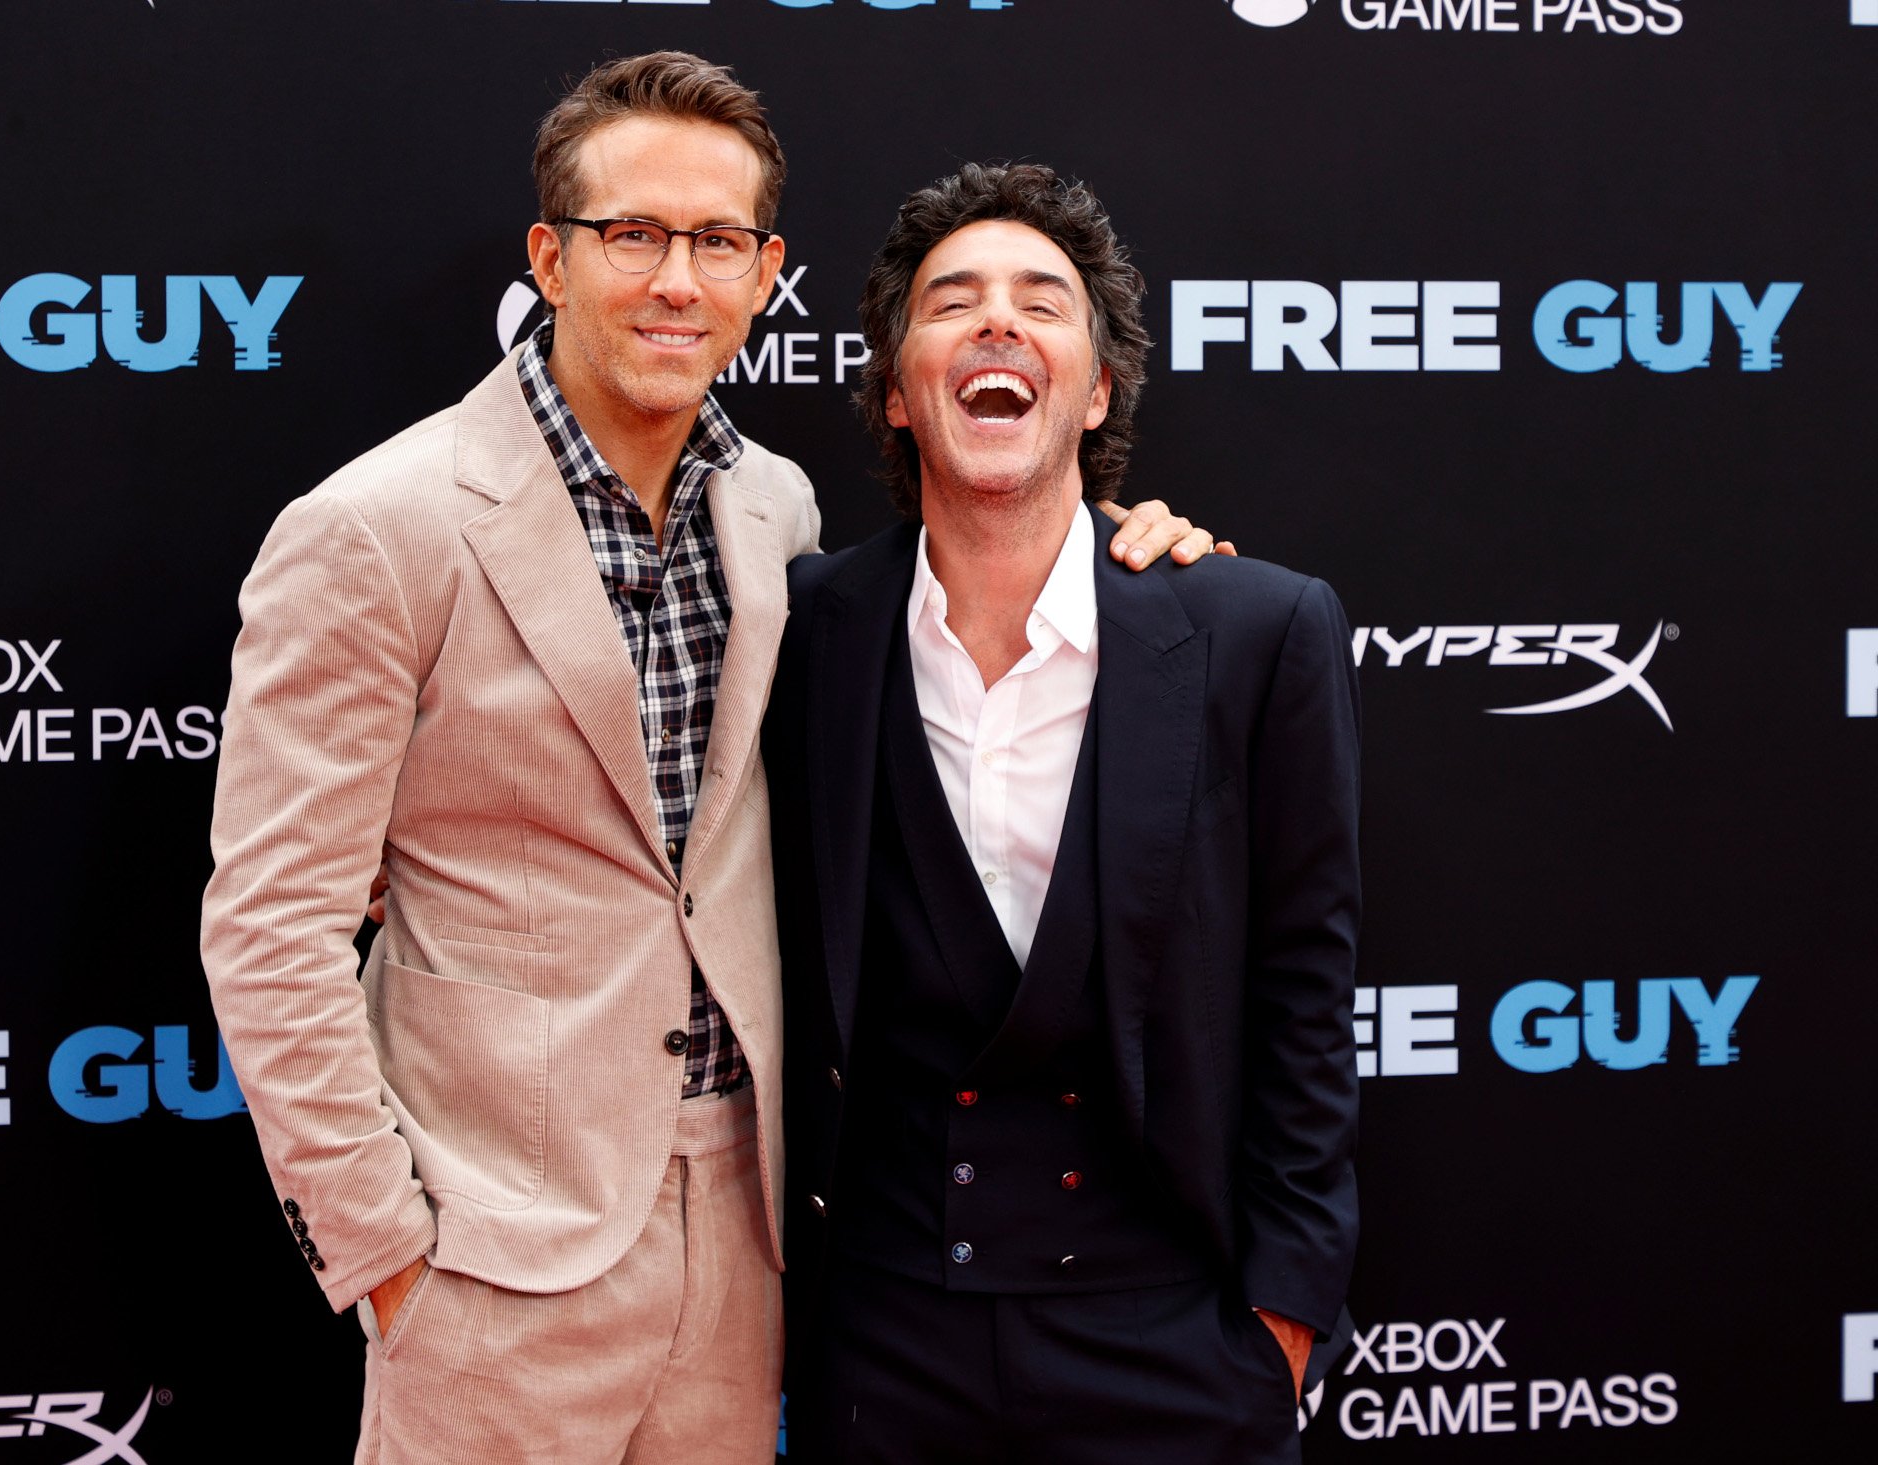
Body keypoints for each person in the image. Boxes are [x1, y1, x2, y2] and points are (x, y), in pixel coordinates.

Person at [200, 55, 1214, 1464]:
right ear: (553, 259)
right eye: (634, 235)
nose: (676, 279)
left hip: (747, 1254)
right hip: (488, 1267)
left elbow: (994, 557)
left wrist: (1133, 550)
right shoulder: (379, 529)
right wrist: (389, 1256)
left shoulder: (775, 512)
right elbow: (267, 929)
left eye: (716, 242)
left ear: (763, 273)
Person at [768, 162, 1361, 1464]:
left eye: (1043, 302)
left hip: (1173, 1342)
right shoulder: (800, 628)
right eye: (953, 301)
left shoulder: (1252, 631)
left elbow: (1306, 989)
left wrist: (1282, 1325)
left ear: (1095, 392)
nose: (997, 322)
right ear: (893, 389)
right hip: (884, 1344)